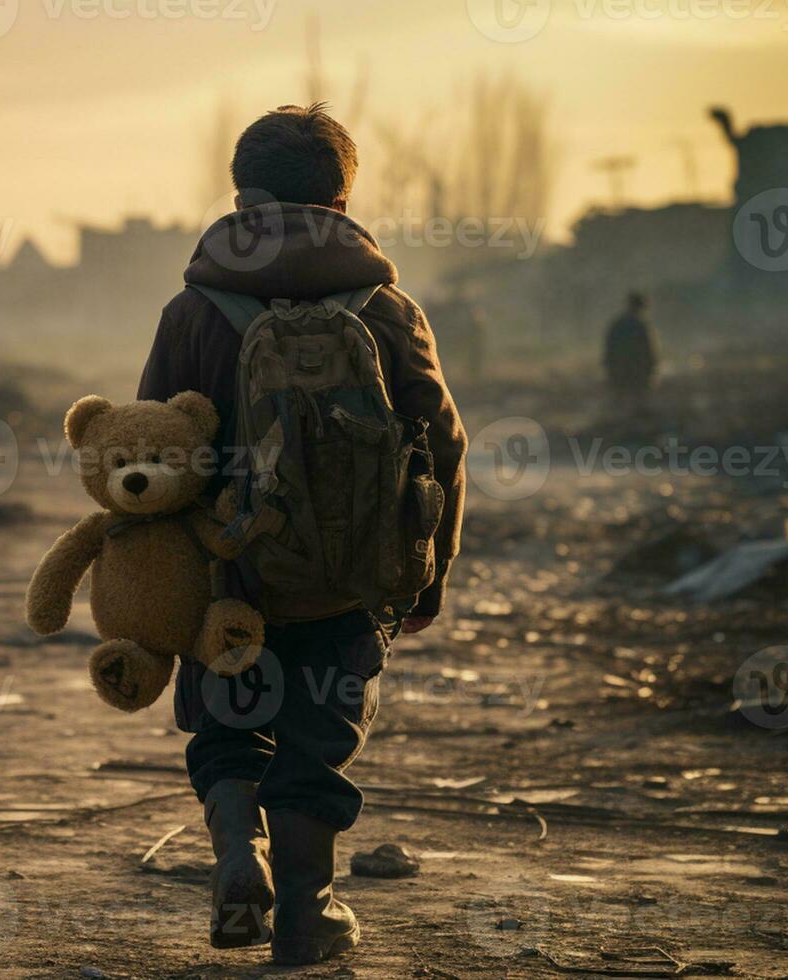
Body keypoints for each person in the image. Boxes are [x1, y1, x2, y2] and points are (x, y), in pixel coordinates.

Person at [136, 103, 468, 965]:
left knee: (227, 728)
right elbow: (444, 442)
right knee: (319, 738)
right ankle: (306, 913)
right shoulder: (387, 308)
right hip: (351, 577)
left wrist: (157, 582)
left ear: (241, 197)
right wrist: (426, 578)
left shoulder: (192, 309)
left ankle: (237, 856)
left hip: (228, 575)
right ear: (342, 201)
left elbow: (152, 446)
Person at [604, 292, 659, 395]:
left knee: (620, 403)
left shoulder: (617, 324)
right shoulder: (642, 326)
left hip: (618, 373)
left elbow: (609, 351)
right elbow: (649, 352)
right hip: (637, 375)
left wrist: (610, 371)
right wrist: (652, 372)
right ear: (642, 306)